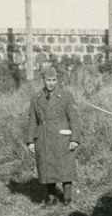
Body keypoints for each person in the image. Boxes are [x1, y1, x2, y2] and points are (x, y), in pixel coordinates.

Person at [26, 65, 81, 206]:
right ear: (42, 80)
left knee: (65, 168)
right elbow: (32, 120)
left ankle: (67, 198)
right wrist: (30, 140)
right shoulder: (35, 98)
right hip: (44, 139)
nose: (51, 83)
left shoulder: (66, 96)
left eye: (54, 80)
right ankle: (50, 198)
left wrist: (75, 139)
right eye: (48, 80)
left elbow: (74, 119)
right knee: (47, 167)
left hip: (62, 139)